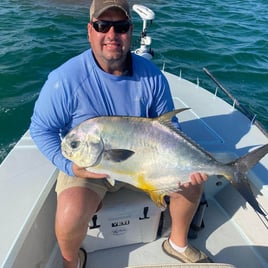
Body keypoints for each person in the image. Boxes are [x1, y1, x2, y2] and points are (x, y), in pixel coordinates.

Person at [30, 0, 212, 267]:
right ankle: (71, 262)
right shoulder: (65, 79)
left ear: (130, 31)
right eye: (103, 26)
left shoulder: (152, 77)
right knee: (70, 211)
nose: (112, 35)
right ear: (89, 30)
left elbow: (172, 129)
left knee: (193, 182)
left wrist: (183, 167)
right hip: (89, 165)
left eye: (121, 26)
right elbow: (41, 129)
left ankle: (177, 243)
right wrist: (68, 165)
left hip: (146, 164)